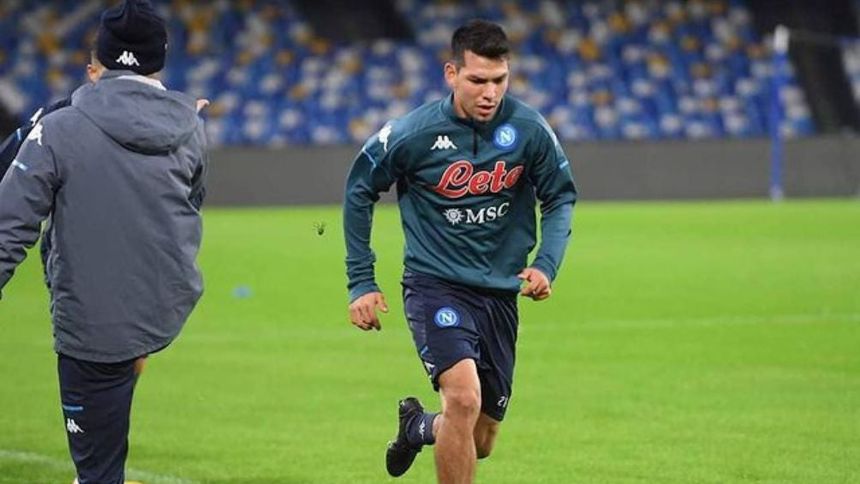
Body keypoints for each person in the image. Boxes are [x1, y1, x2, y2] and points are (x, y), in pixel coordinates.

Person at [343, 19, 577, 483]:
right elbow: (359, 190)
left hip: (500, 293)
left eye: (499, 80)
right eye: (477, 80)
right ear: (451, 74)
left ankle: (418, 427)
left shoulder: (529, 129)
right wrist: (361, 281)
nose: (490, 93)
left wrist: (546, 264)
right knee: (464, 399)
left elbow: (560, 197)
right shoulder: (413, 133)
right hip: (436, 285)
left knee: (480, 438)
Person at [0, 1, 208, 482]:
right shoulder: (192, 130)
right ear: (159, 59)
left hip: (92, 324)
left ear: (100, 59)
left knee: (98, 471)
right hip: (159, 308)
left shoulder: (59, 128)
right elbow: (191, 205)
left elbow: (9, 225)